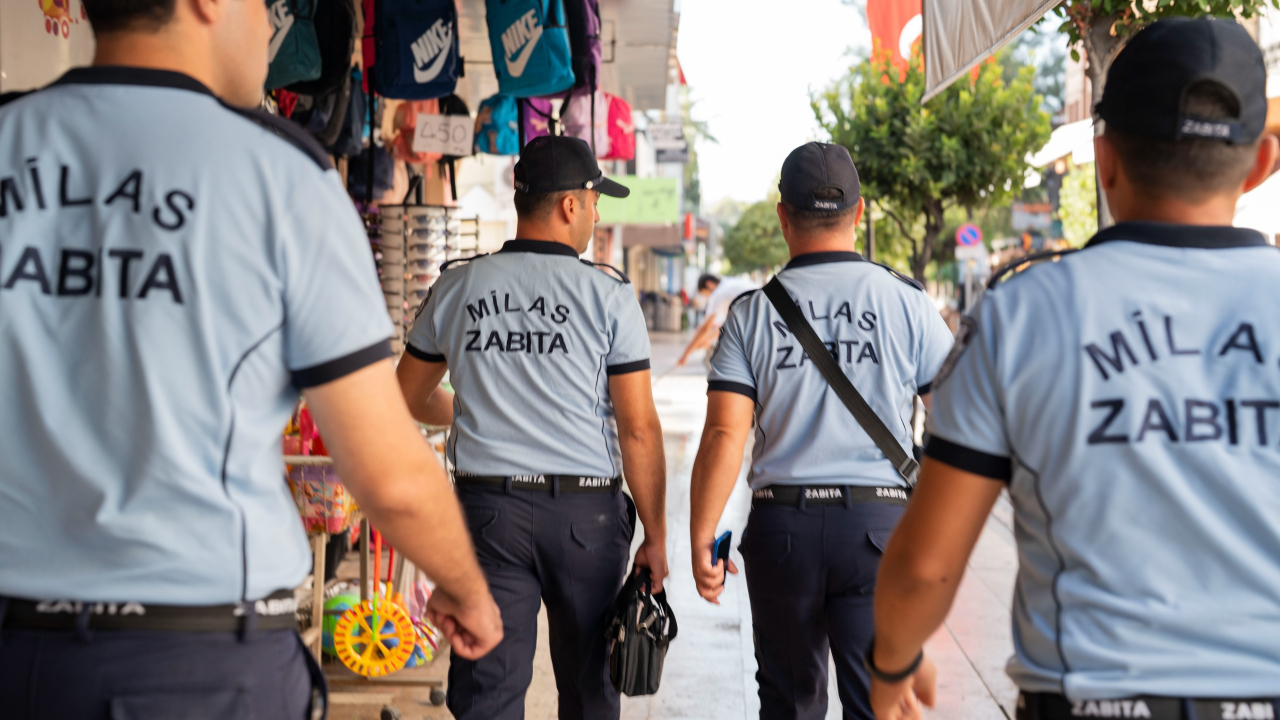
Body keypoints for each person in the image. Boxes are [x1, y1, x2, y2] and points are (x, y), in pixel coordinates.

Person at [0, 0, 503, 715]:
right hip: (201, 662)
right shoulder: (279, 173)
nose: (269, 25)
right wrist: (467, 589)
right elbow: (388, 471)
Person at [869, 18, 1280, 720]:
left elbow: (927, 565)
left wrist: (892, 664)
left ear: (1104, 157)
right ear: (1262, 162)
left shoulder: (1022, 313)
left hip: (1091, 700)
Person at [397, 135, 669, 720]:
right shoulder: (608, 295)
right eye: (595, 202)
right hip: (586, 520)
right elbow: (638, 429)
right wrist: (656, 533)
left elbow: (405, 397)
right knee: (590, 691)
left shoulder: (458, 286)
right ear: (571, 205)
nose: (597, 215)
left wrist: (473, 410)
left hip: (486, 516)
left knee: (487, 694)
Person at [688, 142, 954, 720]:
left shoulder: (751, 314)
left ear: (783, 217)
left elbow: (724, 435)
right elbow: (962, 421)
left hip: (784, 530)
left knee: (789, 702)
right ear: (859, 213)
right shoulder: (909, 303)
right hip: (878, 529)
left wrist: (703, 534)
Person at [676, 272, 759, 366]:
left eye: (705, 294)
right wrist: (707, 339)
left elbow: (705, 328)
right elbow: (725, 325)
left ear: (709, 284)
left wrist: (685, 355)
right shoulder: (731, 284)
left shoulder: (719, 293)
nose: (708, 297)